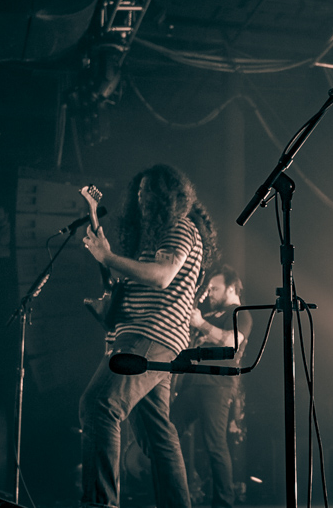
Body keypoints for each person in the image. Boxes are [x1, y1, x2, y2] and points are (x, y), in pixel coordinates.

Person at [80, 164, 218, 508]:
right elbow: (127, 282)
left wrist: (109, 256)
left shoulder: (180, 228)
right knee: (158, 437)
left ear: (169, 196)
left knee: (99, 405)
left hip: (150, 337)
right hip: (153, 341)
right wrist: (104, 254)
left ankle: (100, 505)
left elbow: (161, 277)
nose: (141, 199)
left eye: (149, 192)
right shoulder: (155, 240)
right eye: (139, 192)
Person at [172, 265, 252, 508]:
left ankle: (223, 502)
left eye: (215, 289)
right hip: (192, 383)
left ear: (231, 288)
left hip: (217, 384)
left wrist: (201, 325)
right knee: (168, 430)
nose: (211, 294)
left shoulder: (241, 313)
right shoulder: (209, 315)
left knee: (215, 443)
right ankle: (179, 493)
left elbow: (232, 342)